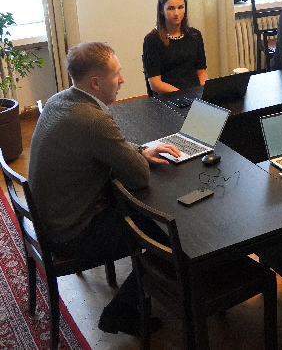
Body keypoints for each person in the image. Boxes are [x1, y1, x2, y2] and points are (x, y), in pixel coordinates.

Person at [29, 42, 181, 336]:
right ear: (96, 82)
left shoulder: (59, 100)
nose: (122, 80)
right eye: (116, 74)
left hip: (51, 218)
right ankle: (120, 312)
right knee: (160, 235)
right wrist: (138, 157)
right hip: (70, 233)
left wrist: (140, 149)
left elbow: (106, 147)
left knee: (135, 209)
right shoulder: (93, 119)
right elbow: (139, 176)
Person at [143, 0, 208, 93]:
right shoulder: (152, 40)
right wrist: (183, 96)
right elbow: (155, 84)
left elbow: (202, 73)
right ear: (161, 10)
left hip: (194, 93)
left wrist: (205, 93)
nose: (177, 13)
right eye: (171, 8)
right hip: (168, 96)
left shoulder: (195, 35)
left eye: (180, 7)